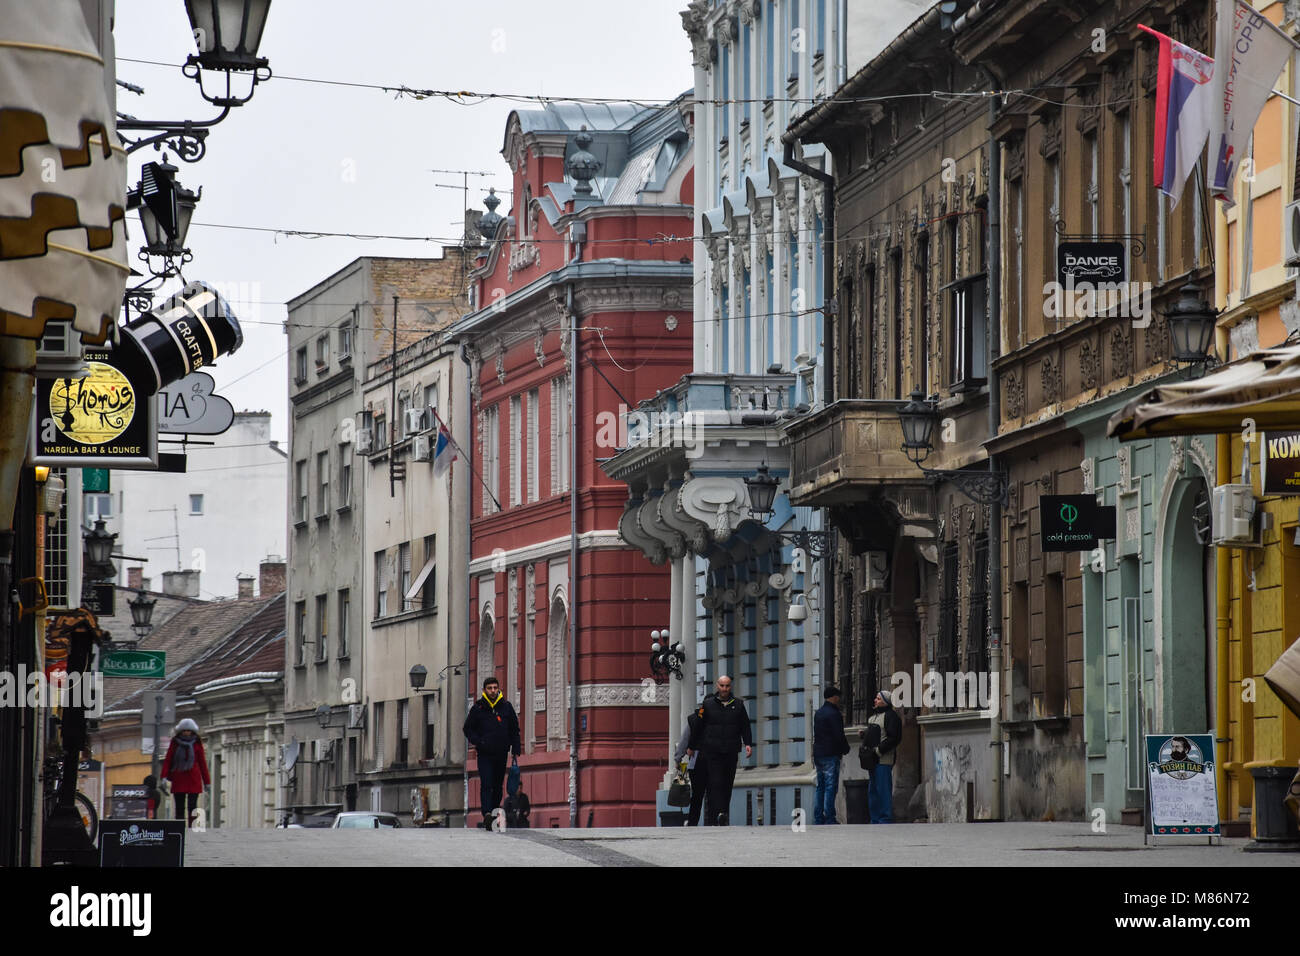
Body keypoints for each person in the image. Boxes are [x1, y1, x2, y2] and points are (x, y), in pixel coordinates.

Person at [687, 675, 752, 826]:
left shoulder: (739, 705)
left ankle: (723, 812)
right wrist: (691, 746)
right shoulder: (707, 705)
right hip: (713, 751)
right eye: (722, 686)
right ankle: (718, 813)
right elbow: (697, 726)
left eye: (727, 686)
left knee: (727, 783)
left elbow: (745, 726)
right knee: (715, 782)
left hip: (731, 750)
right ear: (717, 686)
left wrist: (748, 743)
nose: (724, 689)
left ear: (731, 687)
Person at [462, 676, 521, 828]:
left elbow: (514, 729)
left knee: (497, 784)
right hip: (485, 753)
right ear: (484, 690)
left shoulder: (506, 707)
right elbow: (467, 728)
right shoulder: (478, 708)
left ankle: (495, 812)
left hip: (501, 753)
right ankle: (487, 813)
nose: (493, 691)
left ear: (498, 689)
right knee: (486, 783)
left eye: (495, 687)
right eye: (490, 688)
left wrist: (516, 748)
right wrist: (478, 741)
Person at [161, 718, 209, 827]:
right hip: (179, 778)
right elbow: (168, 760)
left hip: (193, 779)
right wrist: (163, 776)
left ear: (192, 731)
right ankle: (179, 827)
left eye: (189, 730)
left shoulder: (197, 742)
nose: (186, 733)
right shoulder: (175, 742)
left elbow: (202, 763)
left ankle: (192, 827)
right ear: (180, 731)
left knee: (192, 805)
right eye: (184, 730)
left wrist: (207, 782)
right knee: (179, 806)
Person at [812, 685, 850, 825]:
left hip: (819, 754)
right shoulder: (834, 714)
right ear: (834, 697)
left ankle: (818, 817)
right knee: (830, 786)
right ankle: (829, 817)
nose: (839, 699)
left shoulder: (819, 713)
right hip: (830, 753)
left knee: (820, 786)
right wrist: (845, 748)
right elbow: (838, 735)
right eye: (838, 696)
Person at [866, 690, 902, 824]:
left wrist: (879, 750)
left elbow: (894, 738)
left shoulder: (891, 717)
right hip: (872, 759)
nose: (875, 700)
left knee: (883, 790)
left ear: (886, 702)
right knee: (873, 790)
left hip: (883, 759)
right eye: (876, 698)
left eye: (879, 699)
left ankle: (885, 818)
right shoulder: (874, 717)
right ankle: (875, 818)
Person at [673, 711, 708, 826]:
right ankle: (714, 819)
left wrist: (678, 759)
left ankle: (693, 822)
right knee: (715, 794)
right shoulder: (718, 719)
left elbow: (684, 740)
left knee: (697, 795)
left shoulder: (693, 720)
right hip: (715, 762)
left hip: (696, 762)